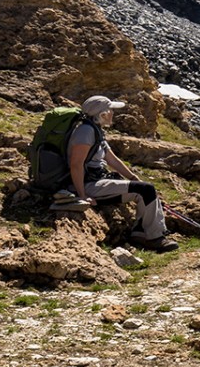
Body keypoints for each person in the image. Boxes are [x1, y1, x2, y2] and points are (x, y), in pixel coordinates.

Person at [68, 95, 176, 252]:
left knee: (143, 190)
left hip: (95, 182)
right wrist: (82, 195)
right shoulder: (85, 131)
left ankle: (140, 233)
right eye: (110, 110)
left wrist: (133, 178)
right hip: (87, 185)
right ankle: (155, 238)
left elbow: (112, 159)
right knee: (145, 190)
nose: (113, 113)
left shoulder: (95, 130)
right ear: (102, 114)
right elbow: (75, 164)